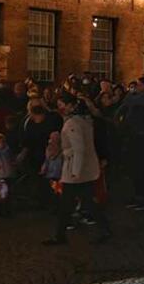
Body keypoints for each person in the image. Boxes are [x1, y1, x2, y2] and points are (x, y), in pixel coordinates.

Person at [44, 94, 108, 245]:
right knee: (84, 202)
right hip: (81, 169)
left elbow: (79, 149)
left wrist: (75, 172)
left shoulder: (73, 124)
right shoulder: (83, 121)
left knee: (68, 204)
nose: (61, 108)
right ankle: (103, 230)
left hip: (76, 170)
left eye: (63, 104)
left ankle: (60, 236)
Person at [116, 76, 144, 211]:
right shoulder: (139, 99)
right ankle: (138, 195)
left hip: (143, 137)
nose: (137, 87)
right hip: (136, 136)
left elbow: (130, 102)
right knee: (136, 168)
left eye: (140, 85)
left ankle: (143, 197)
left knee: (142, 168)